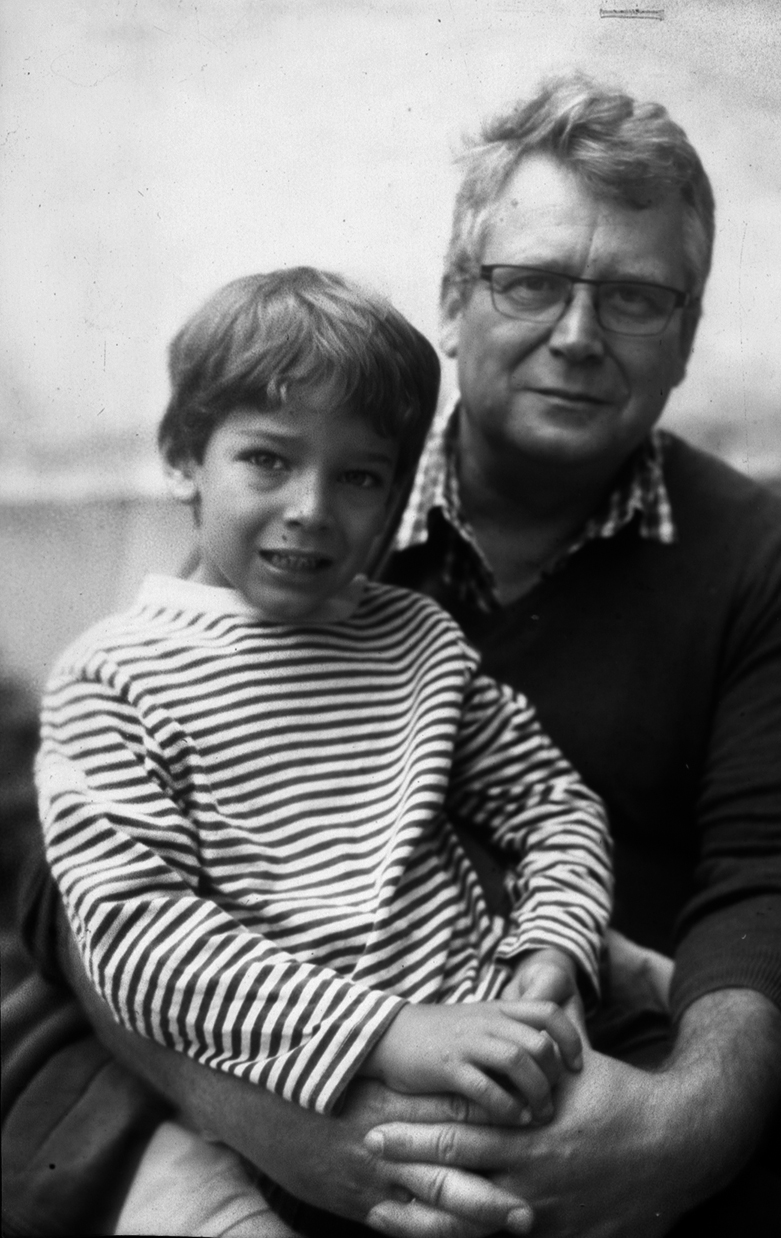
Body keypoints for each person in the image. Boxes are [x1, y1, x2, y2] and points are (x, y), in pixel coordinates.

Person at [3, 74, 781, 1238]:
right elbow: (91, 889)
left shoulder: (757, 561)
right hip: (277, 1038)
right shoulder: (291, 539)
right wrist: (279, 1116)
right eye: (530, 282)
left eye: (635, 297)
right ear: (454, 300)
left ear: (688, 335)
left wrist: (673, 1121)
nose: (578, 337)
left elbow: (778, 874)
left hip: (576, 1039)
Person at [33, 266, 612, 1236]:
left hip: (506, 1069)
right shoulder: (114, 678)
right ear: (183, 457)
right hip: (294, 1121)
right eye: (268, 459)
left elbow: (553, 804)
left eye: (358, 476)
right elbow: (136, 940)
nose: (311, 506)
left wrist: (553, 945)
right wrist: (389, 1032)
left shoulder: (418, 643)